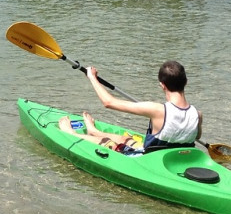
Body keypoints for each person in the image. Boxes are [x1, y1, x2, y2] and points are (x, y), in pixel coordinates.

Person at [58, 60, 202, 154]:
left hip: (149, 161)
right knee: (124, 139)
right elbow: (197, 136)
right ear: (186, 82)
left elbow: (109, 102)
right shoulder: (197, 114)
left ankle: (72, 134)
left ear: (162, 85)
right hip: (175, 159)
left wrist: (92, 78)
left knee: (106, 143)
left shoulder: (157, 110)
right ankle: (93, 130)